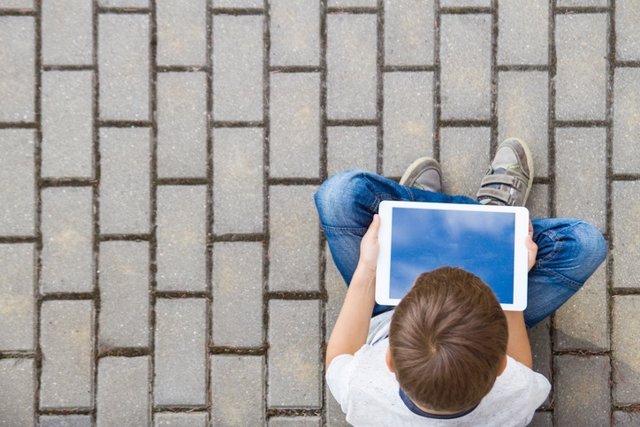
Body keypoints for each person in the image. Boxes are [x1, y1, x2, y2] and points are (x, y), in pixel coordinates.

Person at [314, 138, 607, 426]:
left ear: (389, 360)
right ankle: (484, 214)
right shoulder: (517, 395)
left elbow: (340, 355)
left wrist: (367, 267)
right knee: (586, 244)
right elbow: (520, 360)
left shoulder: (360, 389)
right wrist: (509, 276)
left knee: (338, 196)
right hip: (489, 322)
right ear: (502, 366)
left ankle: (423, 213)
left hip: (384, 309)